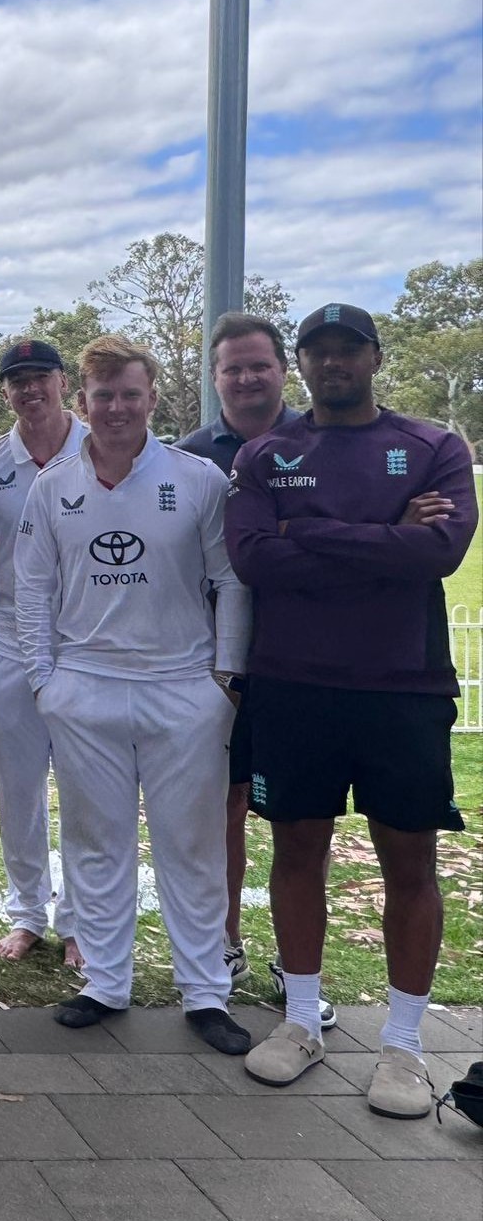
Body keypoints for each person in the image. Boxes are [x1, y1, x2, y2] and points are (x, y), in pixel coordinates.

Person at [229, 303, 475, 1118]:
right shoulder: (270, 453)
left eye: (348, 350)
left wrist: (317, 532)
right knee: (298, 851)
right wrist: (383, 537)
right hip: (295, 685)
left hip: (403, 688)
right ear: (302, 362)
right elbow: (257, 560)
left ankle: (403, 1046)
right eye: (319, 351)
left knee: (409, 862)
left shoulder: (436, 446)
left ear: (374, 357)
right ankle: (300, 1021)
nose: (333, 363)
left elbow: (438, 553)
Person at [16, 334, 252, 1054]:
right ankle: (105, 982)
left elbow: (231, 582)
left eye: (130, 394)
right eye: (103, 396)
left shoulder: (199, 479)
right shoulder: (52, 486)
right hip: (83, 688)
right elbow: (32, 587)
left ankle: (205, 992)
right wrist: (44, 682)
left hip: (184, 688)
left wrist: (225, 680)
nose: (117, 408)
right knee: (95, 841)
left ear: (152, 397)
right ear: (81, 403)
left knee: (192, 844)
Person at [174, 313, 325, 1018]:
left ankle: (300, 971)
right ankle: (225, 943)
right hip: (219, 665)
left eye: (259, 365)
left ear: (282, 369)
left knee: (303, 821)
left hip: (309, 657)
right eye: (232, 367)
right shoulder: (191, 455)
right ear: (214, 376)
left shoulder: (321, 439)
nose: (246, 377)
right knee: (225, 807)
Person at [0, 339, 87, 964]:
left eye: (41, 377)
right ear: (5, 391)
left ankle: (81, 923)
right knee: (18, 787)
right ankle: (27, 912)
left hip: (85, 642)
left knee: (87, 786)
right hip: (11, 639)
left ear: (63, 382)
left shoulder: (98, 450)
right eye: (18, 381)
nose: (30, 389)